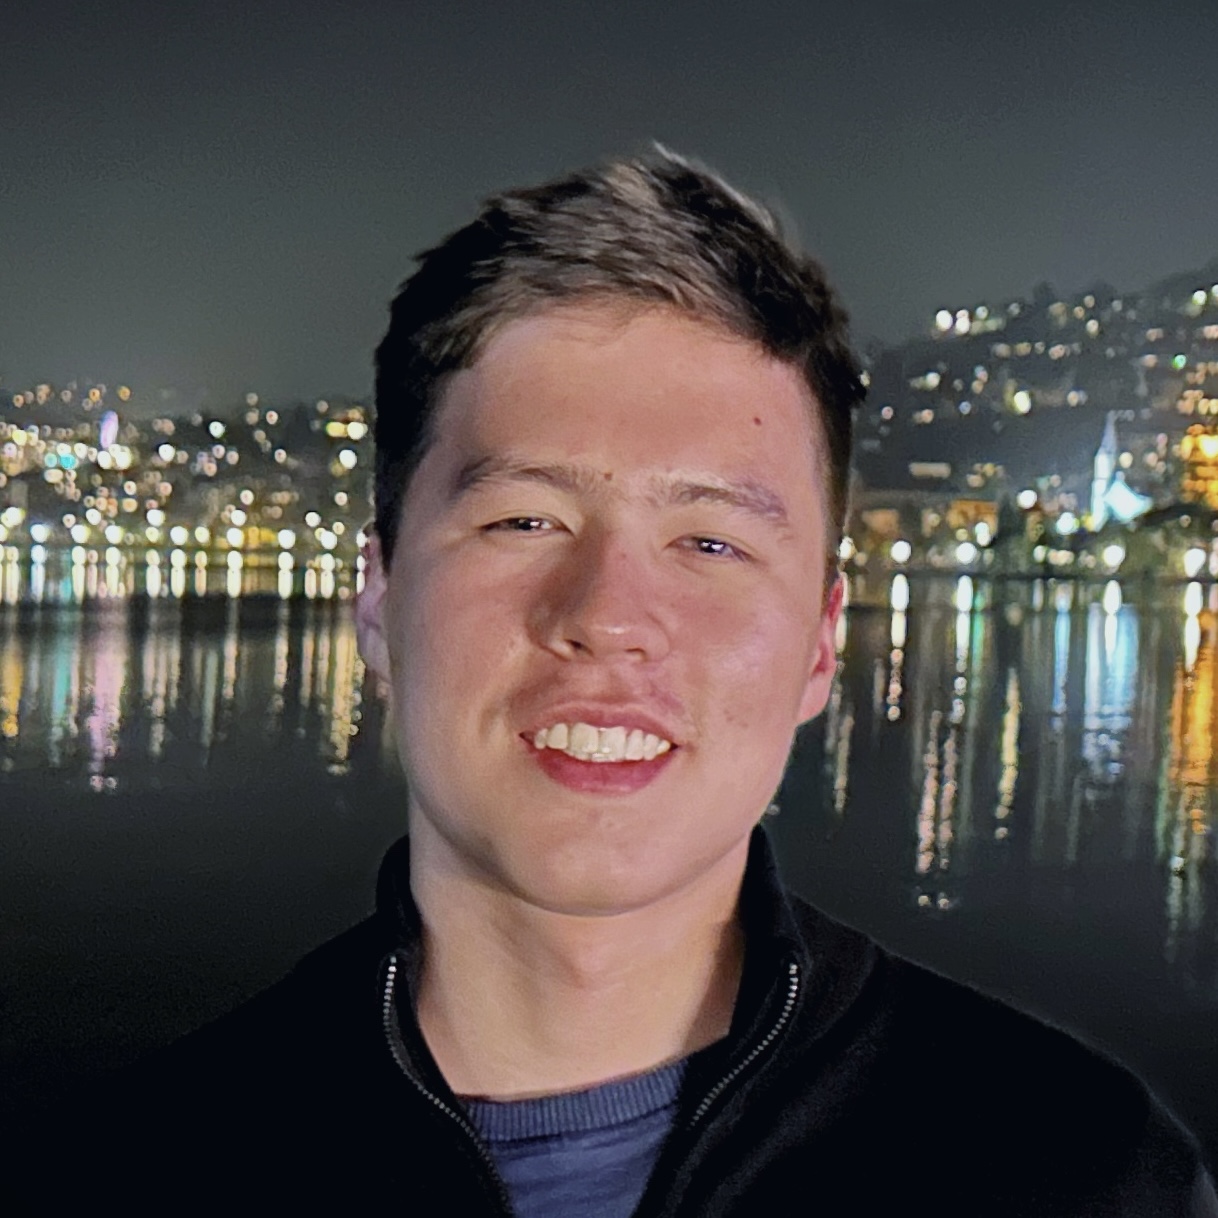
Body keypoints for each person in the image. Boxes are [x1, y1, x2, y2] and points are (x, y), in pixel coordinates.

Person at [18, 150, 1217, 1215]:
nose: (607, 619)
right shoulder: (122, 1177)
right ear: (377, 601)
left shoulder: (1081, 1176)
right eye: (524, 520)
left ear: (819, 643)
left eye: (711, 542)